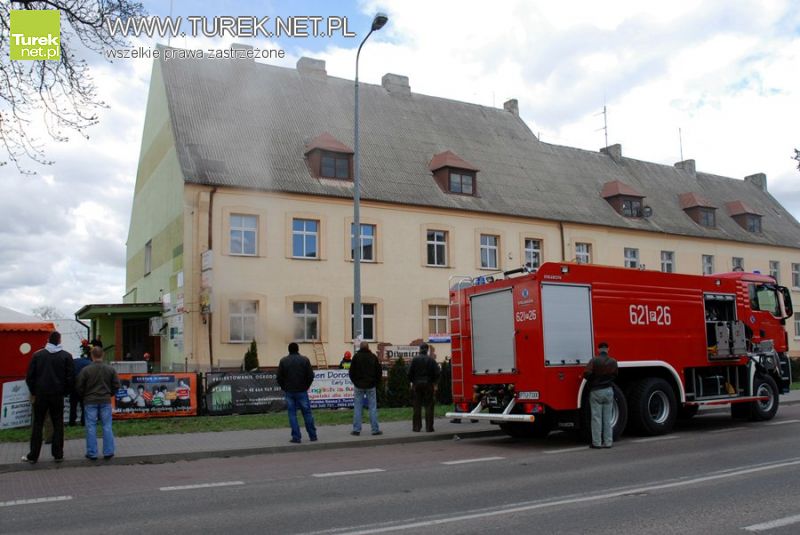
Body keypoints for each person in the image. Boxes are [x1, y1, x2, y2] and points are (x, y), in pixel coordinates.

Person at [22, 331, 74, 464]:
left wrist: (34, 391)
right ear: (59, 340)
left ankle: (33, 455)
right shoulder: (66, 356)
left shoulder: (38, 355)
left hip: (40, 395)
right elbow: (70, 378)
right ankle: (58, 454)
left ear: (48, 340)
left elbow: (30, 377)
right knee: (58, 423)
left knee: (38, 424)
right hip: (57, 395)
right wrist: (65, 392)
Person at [76, 346, 121, 460]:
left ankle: (92, 453)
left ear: (92, 356)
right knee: (107, 426)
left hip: (90, 401)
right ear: (103, 355)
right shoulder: (110, 369)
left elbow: (79, 386)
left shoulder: (86, 370)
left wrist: (85, 396)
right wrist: (109, 394)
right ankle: (108, 451)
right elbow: (116, 385)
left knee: (91, 427)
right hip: (105, 400)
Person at [277, 342, 317, 444]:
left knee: (292, 414)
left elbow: (279, 378)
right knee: (307, 413)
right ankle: (313, 435)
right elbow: (310, 376)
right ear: (298, 349)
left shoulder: (283, 361)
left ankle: (296, 437)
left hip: (289, 391)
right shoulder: (305, 360)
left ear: (289, 350)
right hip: (302, 390)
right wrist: (306, 386)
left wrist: (284, 387)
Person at [583, 341, 619, 449]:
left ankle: (597, 443)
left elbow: (586, 374)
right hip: (608, 390)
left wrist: (593, 380)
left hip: (596, 391)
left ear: (598, 350)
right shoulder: (613, 361)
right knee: (607, 418)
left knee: (596, 418)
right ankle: (608, 442)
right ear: (608, 349)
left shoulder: (594, 360)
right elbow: (615, 374)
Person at [348, 342, 383, 436]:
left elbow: (351, 372)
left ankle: (356, 430)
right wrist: (375, 382)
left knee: (358, 407)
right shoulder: (373, 357)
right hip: (371, 385)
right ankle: (375, 429)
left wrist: (355, 382)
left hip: (358, 385)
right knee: (372, 407)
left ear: (360, 347)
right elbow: (379, 372)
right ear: (368, 347)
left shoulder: (356, 357)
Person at [408, 343, 440, 432]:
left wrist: (413, 382)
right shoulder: (431, 360)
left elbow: (409, 373)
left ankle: (416, 427)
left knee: (417, 406)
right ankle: (429, 427)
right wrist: (434, 382)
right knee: (429, 406)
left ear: (420, 349)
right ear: (427, 350)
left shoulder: (415, 360)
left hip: (417, 384)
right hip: (428, 385)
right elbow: (437, 373)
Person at [69, 352, 92, 426]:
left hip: (73, 386)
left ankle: (72, 422)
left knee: (73, 405)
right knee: (84, 405)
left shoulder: (74, 361)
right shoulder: (90, 363)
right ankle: (83, 421)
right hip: (84, 387)